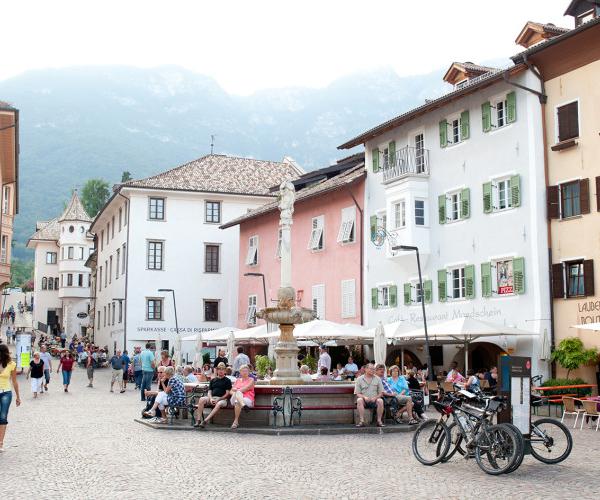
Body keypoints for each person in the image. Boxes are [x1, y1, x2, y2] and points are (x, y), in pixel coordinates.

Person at [194, 362, 232, 428]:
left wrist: (219, 399)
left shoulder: (227, 380)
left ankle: (205, 421)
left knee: (219, 403)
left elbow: (227, 393)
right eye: (219, 369)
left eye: (222, 369)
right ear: (217, 370)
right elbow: (209, 391)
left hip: (222, 399)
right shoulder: (213, 380)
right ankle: (198, 420)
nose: (220, 371)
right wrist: (211, 398)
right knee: (201, 399)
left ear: (225, 371)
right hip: (212, 397)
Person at [0, 344, 21, 452]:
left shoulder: (11, 364)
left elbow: (14, 381)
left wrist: (18, 396)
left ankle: (0, 443)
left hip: (6, 393)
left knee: (3, 417)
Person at [355, 363, 385, 427]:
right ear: (366, 369)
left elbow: (381, 393)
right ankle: (361, 421)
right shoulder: (359, 379)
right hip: (364, 400)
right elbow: (357, 393)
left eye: (374, 369)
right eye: (371, 369)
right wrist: (364, 397)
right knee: (359, 400)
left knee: (380, 401)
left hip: (374, 400)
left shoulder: (378, 378)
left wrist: (375, 398)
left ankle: (379, 421)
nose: (373, 370)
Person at [230, 364, 255, 429]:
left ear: (249, 372)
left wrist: (236, 390)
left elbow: (246, 388)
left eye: (246, 371)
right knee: (238, 394)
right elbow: (230, 391)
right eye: (243, 371)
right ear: (240, 372)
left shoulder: (251, 380)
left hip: (247, 399)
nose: (245, 372)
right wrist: (235, 393)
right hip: (236, 399)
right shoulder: (237, 380)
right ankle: (243, 405)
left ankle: (235, 422)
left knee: (237, 401)